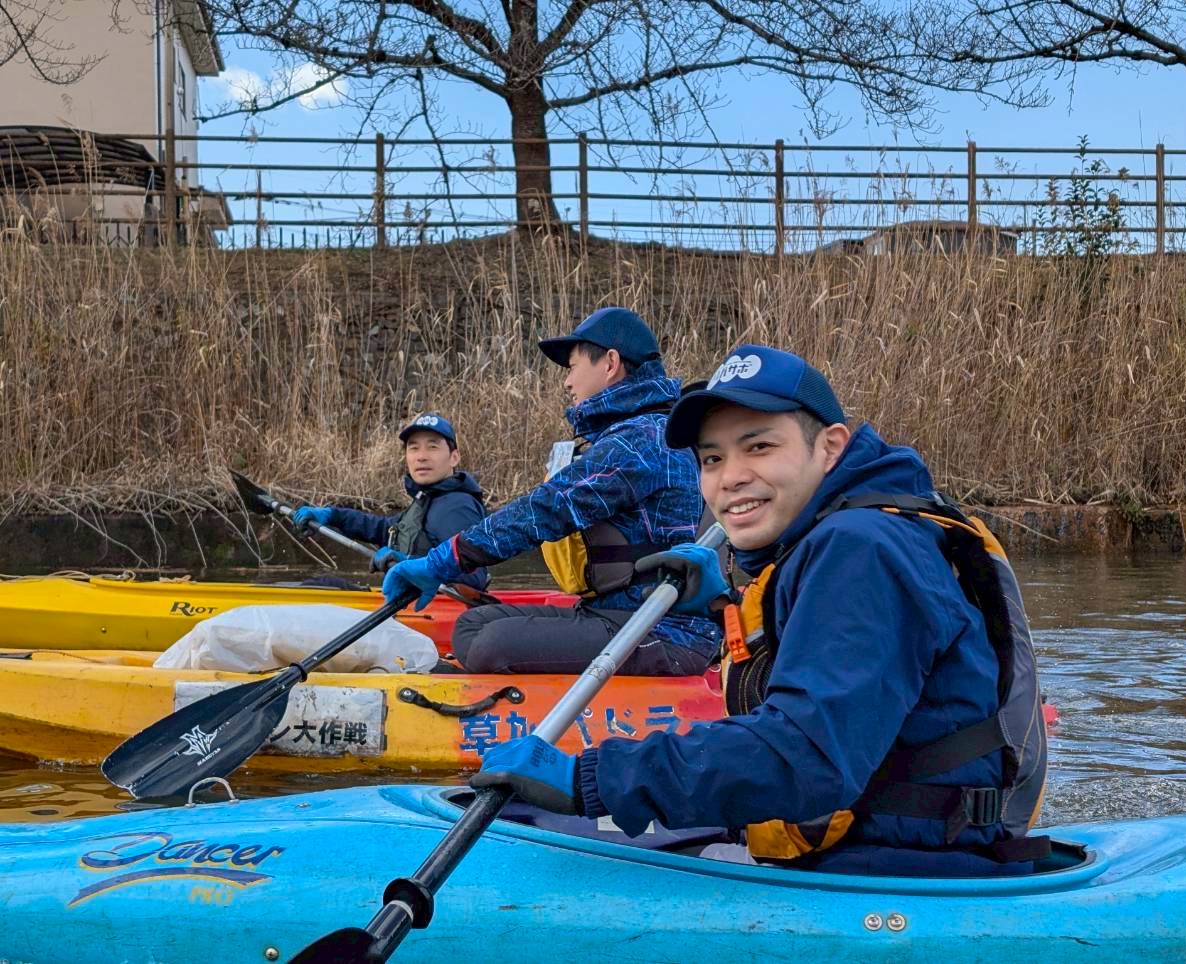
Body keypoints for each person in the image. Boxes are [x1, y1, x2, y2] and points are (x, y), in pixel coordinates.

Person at [467, 344, 1049, 877]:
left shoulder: (862, 548)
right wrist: (724, 608)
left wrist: (589, 778)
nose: (731, 478)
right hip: (877, 836)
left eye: (760, 446)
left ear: (830, 446)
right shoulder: (851, 531)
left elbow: (804, 754)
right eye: (712, 458)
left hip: (895, 866)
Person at [380, 307, 719, 676]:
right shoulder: (632, 434)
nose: (567, 382)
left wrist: (442, 561)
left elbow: (546, 510)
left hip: (661, 632)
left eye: (572, 368)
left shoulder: (642, 440)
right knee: (472, 624)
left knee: (491, 645)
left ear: (610, 363)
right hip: (612, 613)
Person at [292, 412, 490, 591]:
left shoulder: (458, 507)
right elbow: (385, 529)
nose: (421, 457)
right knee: (321, 585)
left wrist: (410, 564)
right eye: (414, 448)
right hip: (403, 604)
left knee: (314, 591)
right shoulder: (428, 500)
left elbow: (473, 578)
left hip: (430, 610)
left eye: (432, 447)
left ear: (454, 458)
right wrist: (332, 515)